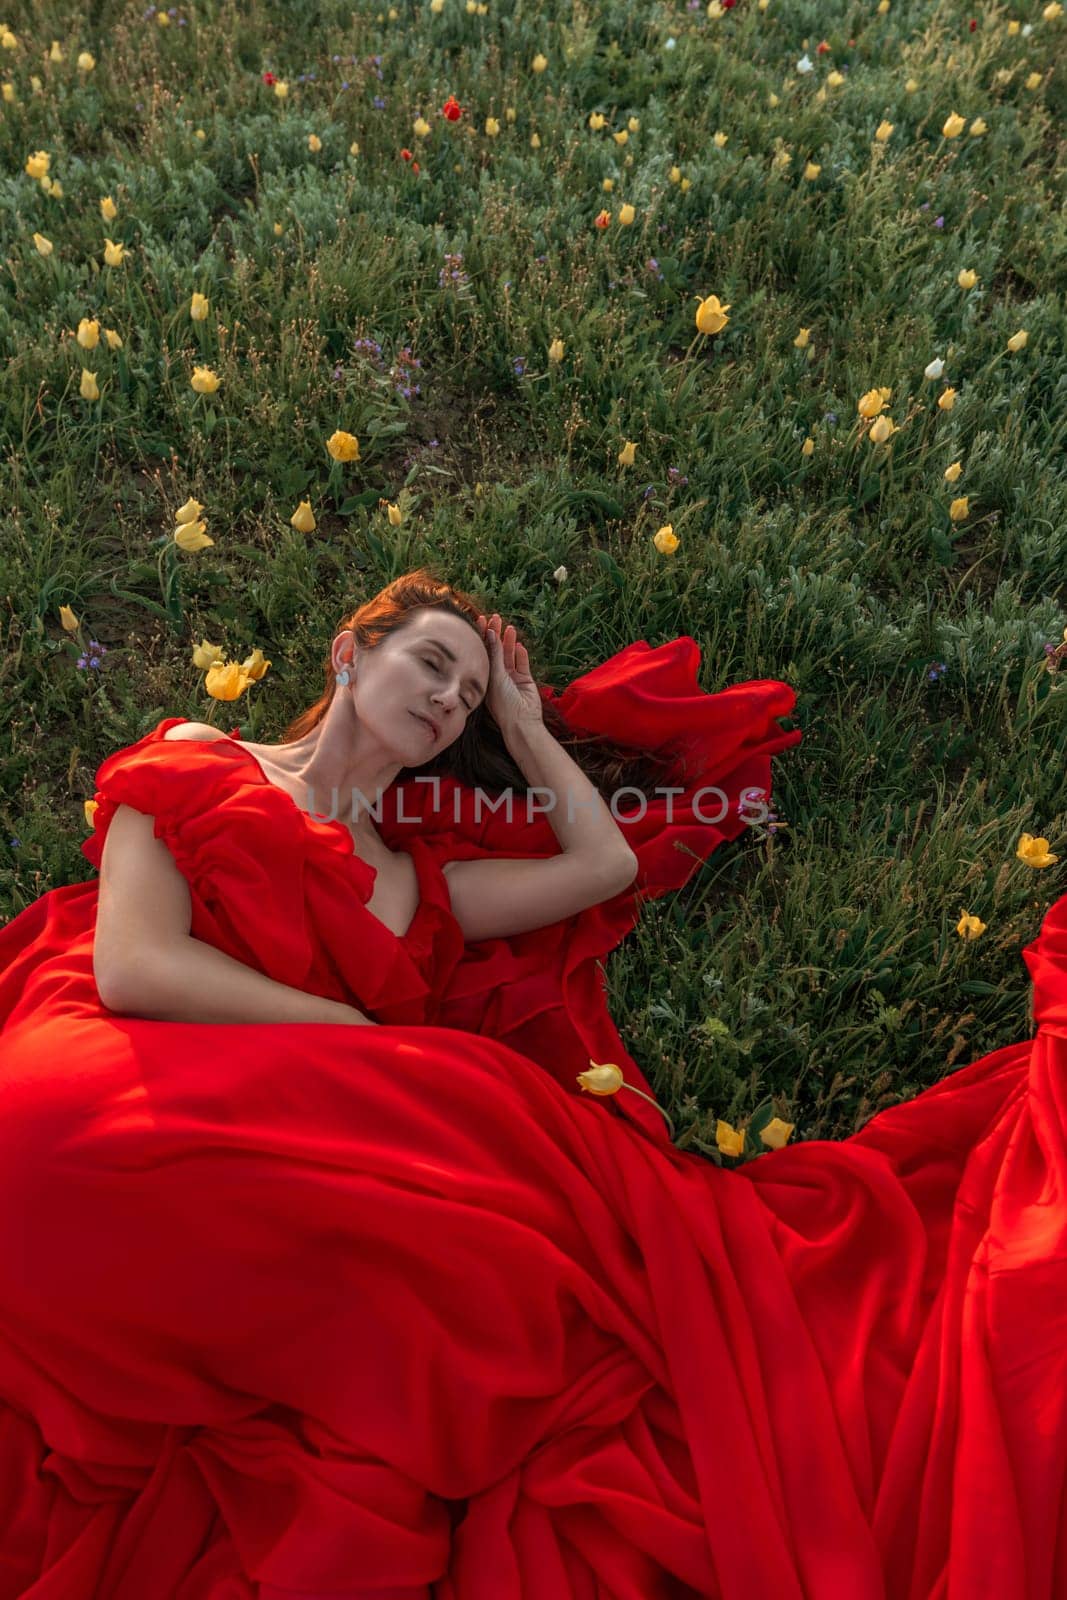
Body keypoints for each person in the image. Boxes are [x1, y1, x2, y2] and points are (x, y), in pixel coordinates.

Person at [0, 567, 1063, 1599]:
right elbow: (134, 966)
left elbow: (602, 868)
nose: (442, 698)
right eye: (428, 662)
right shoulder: (201, 755)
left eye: (463, 693)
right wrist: (349, 1032)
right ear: (347, 653)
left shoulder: (421, 881)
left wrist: (519, 722)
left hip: (267, 1173)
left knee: (495, 1284)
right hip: (110, 1086)